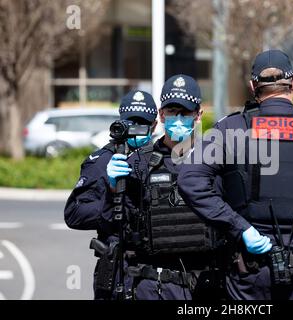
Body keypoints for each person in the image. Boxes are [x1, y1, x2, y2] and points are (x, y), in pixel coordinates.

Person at [177, 49, 293, 300]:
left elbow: (189, 180)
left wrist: (240, 227)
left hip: (248, 273)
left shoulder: (232, 128)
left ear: (253, 86)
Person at [65, 81, 222, 300]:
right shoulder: (114, 162)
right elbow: (76, 215)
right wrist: (112, 193)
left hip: (196, 280)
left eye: (143, 123)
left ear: (154, 123)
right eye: (130, 122)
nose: (135, 129)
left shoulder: (213, 159)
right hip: (129, 271)